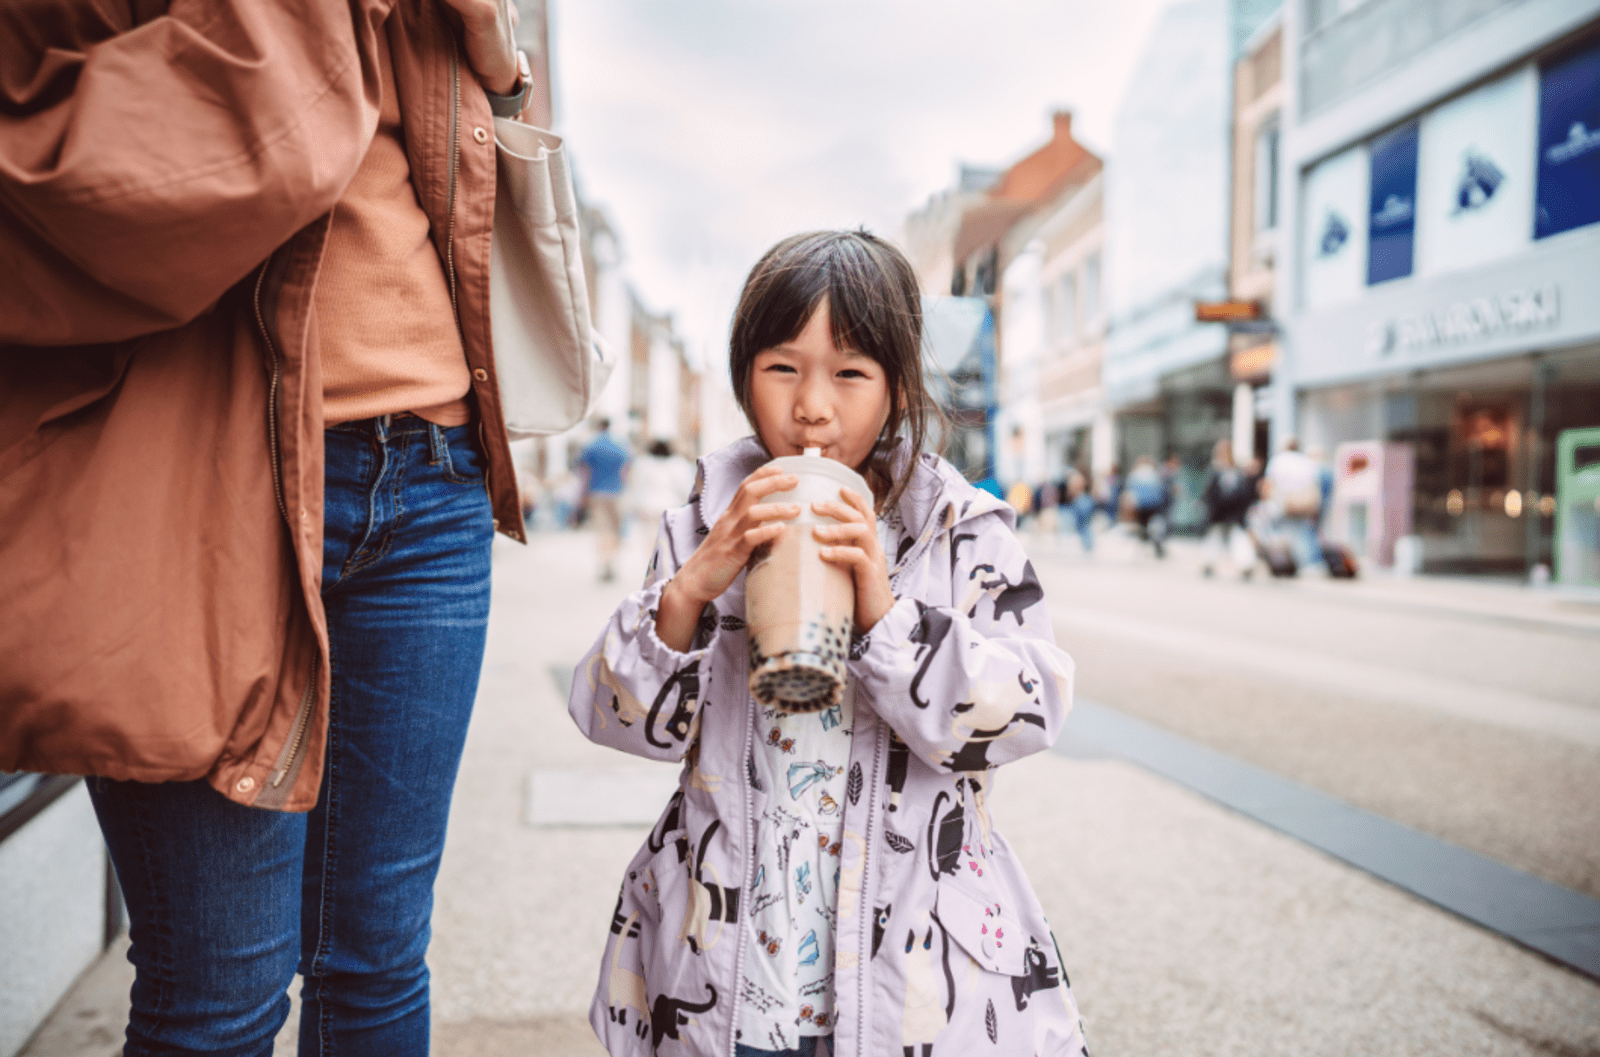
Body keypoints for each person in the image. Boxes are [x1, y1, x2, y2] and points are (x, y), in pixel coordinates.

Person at [2, 3, 536, 1054]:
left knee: (378, 963)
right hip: (204, 480)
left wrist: (499, 61)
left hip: (432, 472)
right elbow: (115, 171)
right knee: (218, 999)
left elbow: (460, 179)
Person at [568, 231, 1088, 1057]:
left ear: (896, 387)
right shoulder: (704, 523)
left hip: (910, 979)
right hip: (729, 967)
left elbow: (1028, 709)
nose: (812, 405)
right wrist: (694, 585)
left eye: (849, 373)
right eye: (782, 368)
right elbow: (617, 718)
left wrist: (886, 614)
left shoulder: (960, 533)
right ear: (745, 375)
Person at [578, 417, 632, 581]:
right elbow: (627, 470)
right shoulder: (620, 445)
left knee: (602, 530)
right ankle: (612, 563)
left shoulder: (591, 445)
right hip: (617, 493)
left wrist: (582, 495)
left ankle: (605, 563)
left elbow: (585, 472)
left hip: (597, 493)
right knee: (615, 530)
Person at [1264, 437, 1324, 570]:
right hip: (1303, 503)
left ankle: (1285, 563)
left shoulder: (1278, 460)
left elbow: (1269, 484)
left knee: (1282, 534)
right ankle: (1305, 564)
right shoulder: (1306, 461)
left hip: (1284, 503)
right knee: (1301, 533)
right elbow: (1314, 484)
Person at [1199, 440, 1257, 579]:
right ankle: (1243, 564)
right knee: (1230, 537)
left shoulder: (1218, 470)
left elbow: (1209, 492)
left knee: (1221, 537)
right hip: (1229, 513)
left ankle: (1212, 563)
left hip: (1223, 512)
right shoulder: (1235, 470)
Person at [628, 437, 697, 537]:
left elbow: (637, 485)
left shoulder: (644, 463)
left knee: (650, 536)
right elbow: (685, 487)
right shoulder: (678, 464)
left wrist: (635, 504)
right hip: (670, 505)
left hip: (647, 506)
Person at [1125, 455, 1168, 558]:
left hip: (1141, 506)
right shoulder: (1155, 474)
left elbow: (1130, 492)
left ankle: (1143, 546)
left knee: (1143, 527)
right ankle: (1157, 546)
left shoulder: (1134, 475)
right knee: (1156, 527)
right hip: (1154, 505)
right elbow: (1160, 490)